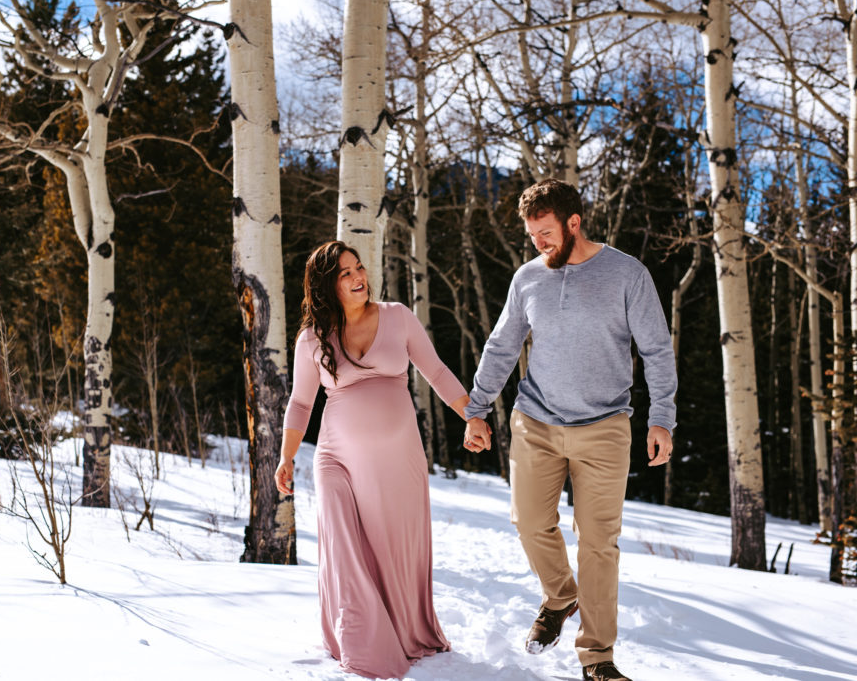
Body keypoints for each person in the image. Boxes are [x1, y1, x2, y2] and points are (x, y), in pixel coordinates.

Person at [462, 179, 677, 681]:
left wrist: (661, 418)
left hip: (605, 428)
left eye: (545, 233)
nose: (537, 243)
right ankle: (560, 596)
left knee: (599, 543)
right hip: (535, 421)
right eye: (532, 235)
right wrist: (477, 408)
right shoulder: (528, 279)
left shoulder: (627, 274)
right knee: (529, 521)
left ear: (573, 223)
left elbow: (656, 351)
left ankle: (597, 657)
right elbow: (501, 346)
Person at [275, 240, 470, 679]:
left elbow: (436, 371)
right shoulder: (311, 338)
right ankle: (362, 644)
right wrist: (286, 457)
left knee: (391, 549)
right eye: (345, 273)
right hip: (335, 460)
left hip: (397, 461)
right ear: (327, 284)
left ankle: (402, 631)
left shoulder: (397, 317)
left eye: (358, 267)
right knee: (345, 550)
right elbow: (301, 403)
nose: (358, 276)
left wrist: (471, 417)